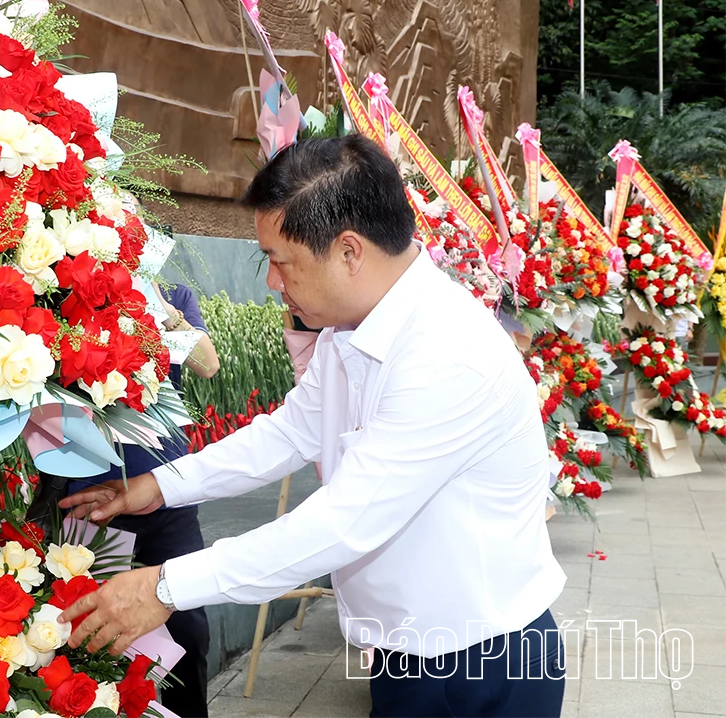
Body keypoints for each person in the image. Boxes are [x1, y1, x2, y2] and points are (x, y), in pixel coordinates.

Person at [59, 135, 568, 717]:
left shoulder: (446, 352)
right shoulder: (351, 330)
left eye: (280, 261)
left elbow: (344, 522)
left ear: (349, 252)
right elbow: (290, 431)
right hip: (410, 650)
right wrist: (160, 486)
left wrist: (165, 587)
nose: (274, 282)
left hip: (479, 657)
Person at [66, 279, 220, 718]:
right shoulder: (75, 284)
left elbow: (207, 363)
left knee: (188, 627)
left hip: (168, 490)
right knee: (101, 631)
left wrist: (162, 309)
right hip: (94, 498)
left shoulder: (175, 293)